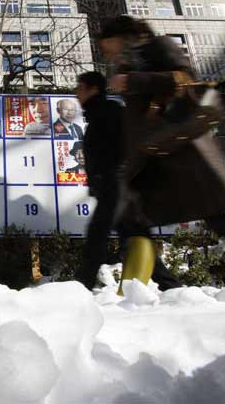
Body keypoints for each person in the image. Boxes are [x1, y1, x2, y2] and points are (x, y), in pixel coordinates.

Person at [99, 15, 225, 301]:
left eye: (107, 46)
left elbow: (185, 78)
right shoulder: (126, 63)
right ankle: (129, 300)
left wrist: (132, 80)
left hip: (185, 153)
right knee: (134, 223)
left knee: (219, 219)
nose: (107, 53)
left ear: (122, 34)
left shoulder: (158, 46)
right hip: (152, 159)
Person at [74, 71, 180, 292]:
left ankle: (81, 287)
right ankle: (172, 287)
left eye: (80, 87)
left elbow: (127, 146)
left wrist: (117, 175)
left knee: (98, 234)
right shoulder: (98, 113)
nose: (76, 92)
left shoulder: (109, 110)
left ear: (93, 88)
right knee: (135, 235)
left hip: (117, 183)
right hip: (113, 184)